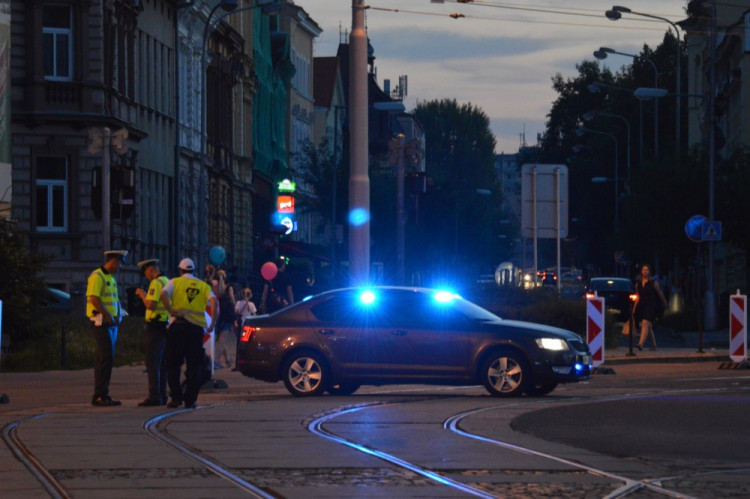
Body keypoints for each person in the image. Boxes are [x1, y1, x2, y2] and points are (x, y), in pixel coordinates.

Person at [160, 258, 217, 409]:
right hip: (196, 330)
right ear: (194, 270)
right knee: (194, 365)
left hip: (177, 327)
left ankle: (176, 398)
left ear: (180, 270)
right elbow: (214, 301)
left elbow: (163, 294)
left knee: (173, 364)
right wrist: (212, 323)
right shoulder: (202, 285)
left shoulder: (175, 282)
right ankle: (190, 400)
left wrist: (170, 310)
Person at [86, 250, 127, 407]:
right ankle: (99, 395)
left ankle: (103, 394)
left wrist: (117, 314)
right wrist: (109, 316)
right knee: (105, 358)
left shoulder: (110, 278)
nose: (120, 267)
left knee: (106, 358)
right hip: (100, 322)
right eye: (120, 263)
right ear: (113, 261)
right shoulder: (97, 276)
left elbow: (114, 300)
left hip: (110, 324)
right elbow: (94, 299)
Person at [135, 259, 169, 406]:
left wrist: (142, 294)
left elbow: (151, 304)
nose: (146, 277)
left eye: (145, 273)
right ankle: (162, 394)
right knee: (162, 363)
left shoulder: (156, 283)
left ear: (150, 270)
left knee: (152, 362)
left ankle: (154, 395)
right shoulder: (167, 281)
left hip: (155, 327)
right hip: (165, 325)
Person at [632, 264, 668, 351]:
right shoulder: (638, 283)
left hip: (651, 305)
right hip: (642, 305)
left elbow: (660, 294)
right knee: (649, 326)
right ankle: (653, 345)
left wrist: (665, 304)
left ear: (649, 272)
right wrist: (634, 309)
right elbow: (638, 297)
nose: (645, 271)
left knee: (645, 323)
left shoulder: (653, 283)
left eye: (647, 270)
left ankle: (641, 344)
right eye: (643, 269)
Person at [212, 269, 235, 369]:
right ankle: (216, 361)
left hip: (218, 316)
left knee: (220, 339)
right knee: (221, 340)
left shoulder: (215, 288)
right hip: (227, 317)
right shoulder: (228, 288)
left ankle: (227, 360)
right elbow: (233, 301)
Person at [232, 288, 257, 370]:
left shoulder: (245, 303)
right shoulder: (245, 303)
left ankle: (242, 365)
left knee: (243, 345)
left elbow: (237, 312)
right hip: (244, 326)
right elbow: (238, 312)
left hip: (244, 325)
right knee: (243, 345)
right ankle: (242, 365)